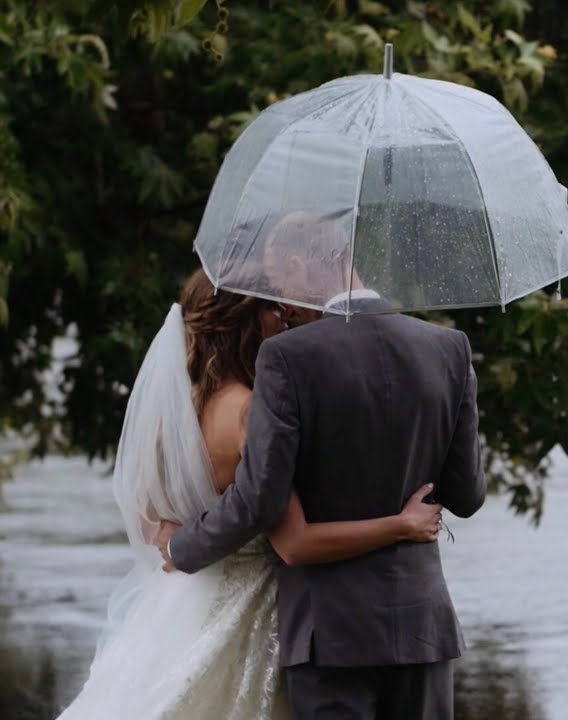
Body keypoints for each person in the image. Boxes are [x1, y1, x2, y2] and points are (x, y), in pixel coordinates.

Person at [55, 268, 443, 719]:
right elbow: (294, 539)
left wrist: (175, 540)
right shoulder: (253, 410)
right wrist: (400, 525)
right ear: (249, 320)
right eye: (276, 311)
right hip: (256, 612)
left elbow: (149, 522)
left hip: (180, 604)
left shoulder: (173, 415)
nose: (287, 322)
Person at [158, 209, 487, 719]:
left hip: (329, 633)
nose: (282, 306)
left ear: (298, 263)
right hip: (424, 627)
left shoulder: (288, 358)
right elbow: (467, 496)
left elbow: (259, 499)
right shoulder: (448, 348)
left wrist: (183, 546)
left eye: (277, 280)